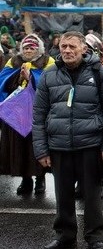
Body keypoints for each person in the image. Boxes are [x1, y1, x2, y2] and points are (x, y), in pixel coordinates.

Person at [32, 31, 103, 249]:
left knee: (92, 196)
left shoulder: (100, 73)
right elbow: (39, 115)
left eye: (72, 46)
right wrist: (41, 150)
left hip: (90, 145)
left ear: (84, 49)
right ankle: (65, 236)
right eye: (63, 47)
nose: (67, 51)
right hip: (58, 146)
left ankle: (95, 237)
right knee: (63, 196)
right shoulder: (49, 75)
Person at [0, 34, 55, 195]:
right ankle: (26, 179)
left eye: (32, 47)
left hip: (38, 112)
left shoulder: (47, 62)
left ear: (39, 49)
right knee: (20, 147)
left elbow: (50, 84)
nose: (29, 50)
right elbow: (3, 83)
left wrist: (30, 78)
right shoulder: (14, 62)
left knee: (37, 146)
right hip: (17, 113)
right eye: (26, 47)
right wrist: (19, 78)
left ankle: (40, 179)